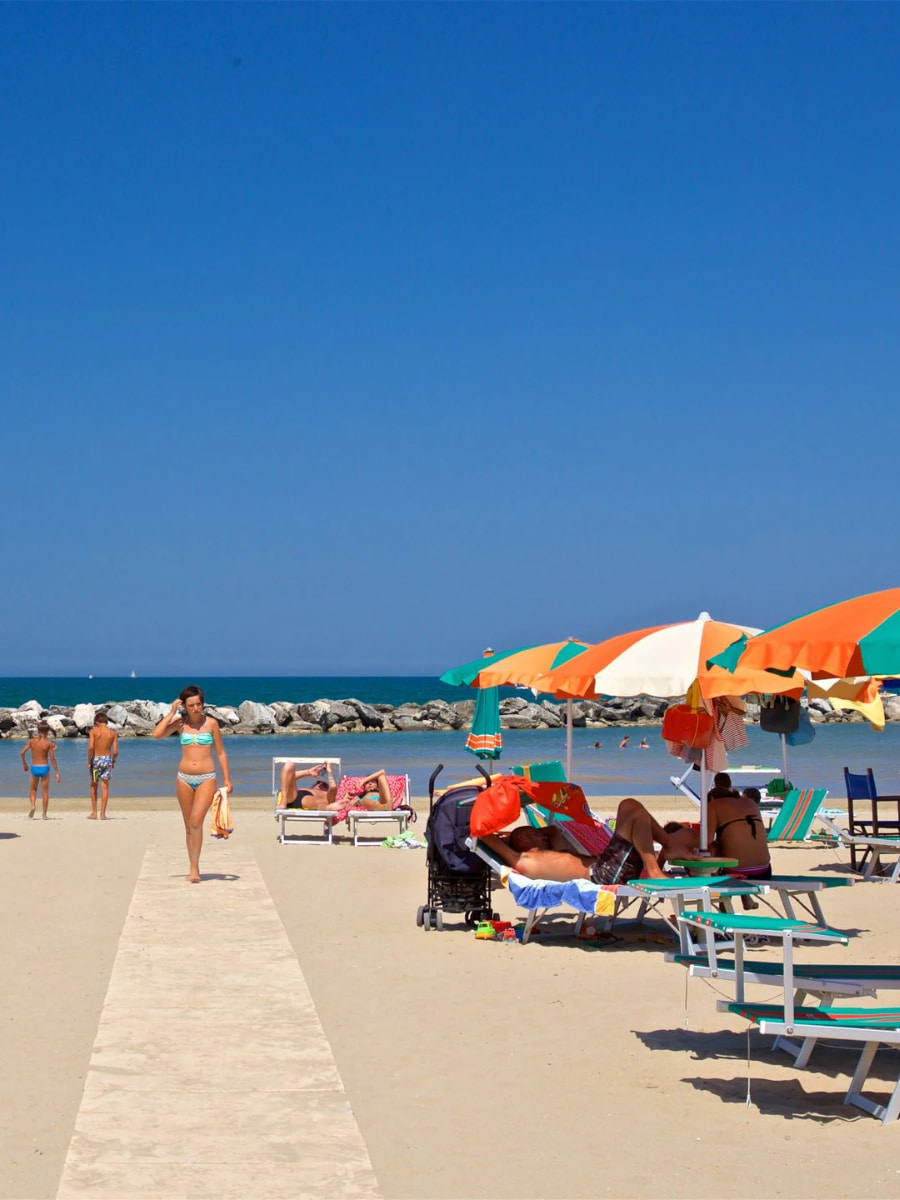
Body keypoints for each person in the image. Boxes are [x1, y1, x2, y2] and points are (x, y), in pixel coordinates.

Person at [481, 798, 700, 885]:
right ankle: (654, 870)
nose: (543, 834)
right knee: (637, 814)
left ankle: (669, 846)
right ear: (523, 839)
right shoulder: (522, 860)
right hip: (602, 876)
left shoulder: (554, 849)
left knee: (629, 805)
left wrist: (537, 835)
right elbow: (483, 834)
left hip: (606, 866)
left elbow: (553, 830)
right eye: (535, 833)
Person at [153, 685, 232, 883]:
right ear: (185, 706)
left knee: (196, 822)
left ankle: (195, 869)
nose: (196, 708)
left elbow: (221, 753)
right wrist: (172, 712)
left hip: (207, 778)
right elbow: (157, 734)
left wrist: (227, 779)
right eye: (191, 705)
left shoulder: (211, 724)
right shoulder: (180, 723)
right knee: (189, 826)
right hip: (184, 779)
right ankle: (193, 867)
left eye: (198, 704)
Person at [279, 762, 396, 811]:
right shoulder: (310, 790)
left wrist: (329, 772)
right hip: (292, 796)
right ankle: (283, 801)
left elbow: (333, 787)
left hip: (302, 801)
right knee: (289, 766)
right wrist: (308, 772)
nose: (321, 783)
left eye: (324, 784)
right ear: (315, 786)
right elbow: (289, 778)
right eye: (319, 783)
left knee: (289, 767)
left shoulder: (328, 796)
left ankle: (284, 801)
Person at [20, 721, 60, 819]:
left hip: (35, 768)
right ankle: (44, 815)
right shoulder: (48, 743)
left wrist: (24, 764)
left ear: (38, 731)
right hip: (44, 768)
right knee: (45, 792)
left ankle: (33, 806)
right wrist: (57, 772)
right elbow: (52, 759)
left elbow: (22, 752)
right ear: (48, 731)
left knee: (33, 790)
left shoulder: (32, 741)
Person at [87, 711, 118, 820]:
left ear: (97, 722)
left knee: (94, 785)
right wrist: (113, 761)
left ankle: (94, 813)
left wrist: (89, 761)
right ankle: (103, 814)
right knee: (105, 787)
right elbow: (115, 752)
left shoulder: (94, 731)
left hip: (96, 761)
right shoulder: (113, 733)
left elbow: (91, 747)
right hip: (107, 761)